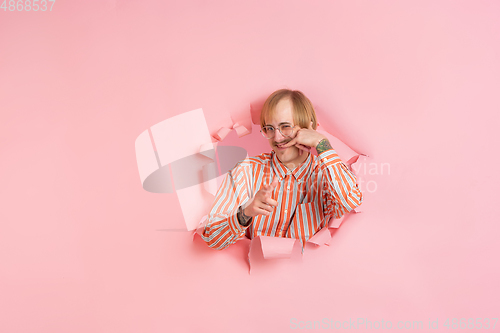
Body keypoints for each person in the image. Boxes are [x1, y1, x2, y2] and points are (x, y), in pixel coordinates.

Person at [201, 89, 363, 250]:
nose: (277, 138)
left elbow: (350, 202)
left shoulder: (325, 174)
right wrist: (245, 214)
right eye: (269, 128)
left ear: (309, 126)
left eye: (285, 127)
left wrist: (322, 144)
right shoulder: (246, 170)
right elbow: (212, 238)